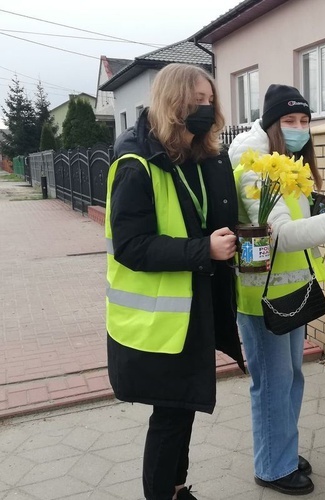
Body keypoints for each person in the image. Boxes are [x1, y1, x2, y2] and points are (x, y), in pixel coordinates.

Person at [105, 63, 244, 500]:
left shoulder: (197, 152)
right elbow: (132, 246)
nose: (206, 108)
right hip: (156, 323)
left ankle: (177, 488)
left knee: (182, 411)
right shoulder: (136, 161)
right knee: (170, 417)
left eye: (210, 101)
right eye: (196, 101)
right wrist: (204, 250)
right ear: (173, 102)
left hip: (189, 309)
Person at [227, 84, 325, 496]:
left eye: (305, 121)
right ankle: (272, 466)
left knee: (290, 379)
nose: (299, 128)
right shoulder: (254, 164)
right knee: (273, 383)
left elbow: (297, 216)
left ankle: (282, 449)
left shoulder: (287, 160)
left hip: (290, 292)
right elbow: (281, 235)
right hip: (262, 297)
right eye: (289, 121)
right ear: (271, 123)